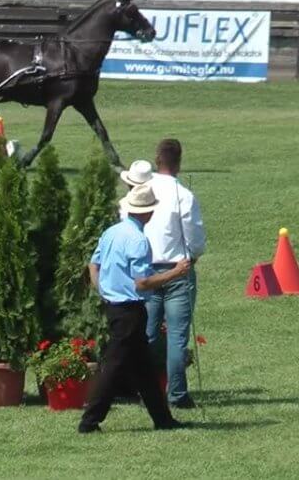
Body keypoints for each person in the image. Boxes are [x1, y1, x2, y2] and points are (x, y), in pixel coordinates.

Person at [78, 184, 192, 434]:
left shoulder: (111, 232)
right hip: (129, 310)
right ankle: (89, 422)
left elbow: (93, 265)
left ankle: (163, 419)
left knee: (144, 368)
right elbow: (142, 283)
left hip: (114, 306)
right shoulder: (139, 241)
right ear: (148, 213)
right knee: (114, 366)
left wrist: (103, 291)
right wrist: (176, 272)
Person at [143, 138, 206, 409]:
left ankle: (146, 389)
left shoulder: (141, 191)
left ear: (157, 160)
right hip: (177, 270)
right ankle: (177, 393)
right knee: (178, 335)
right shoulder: (184, 195)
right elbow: (195, 239)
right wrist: (192, 256)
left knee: (148, 334)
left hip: (147, 272)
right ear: (178, 162)